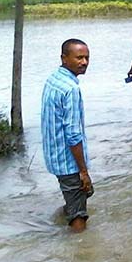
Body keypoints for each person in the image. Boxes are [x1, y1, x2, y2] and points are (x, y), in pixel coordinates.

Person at [41, 39, 93, 232]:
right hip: (68, 161)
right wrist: (83, 171)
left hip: (54, 156)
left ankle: (66, 214)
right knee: (79, 213)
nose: (84, 62)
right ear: (64, 58)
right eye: (79, 57)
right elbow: (73, 134)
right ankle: (81, 250)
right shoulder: (70, 89)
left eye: (87, 57)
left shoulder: (54, 79)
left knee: (80, 196)